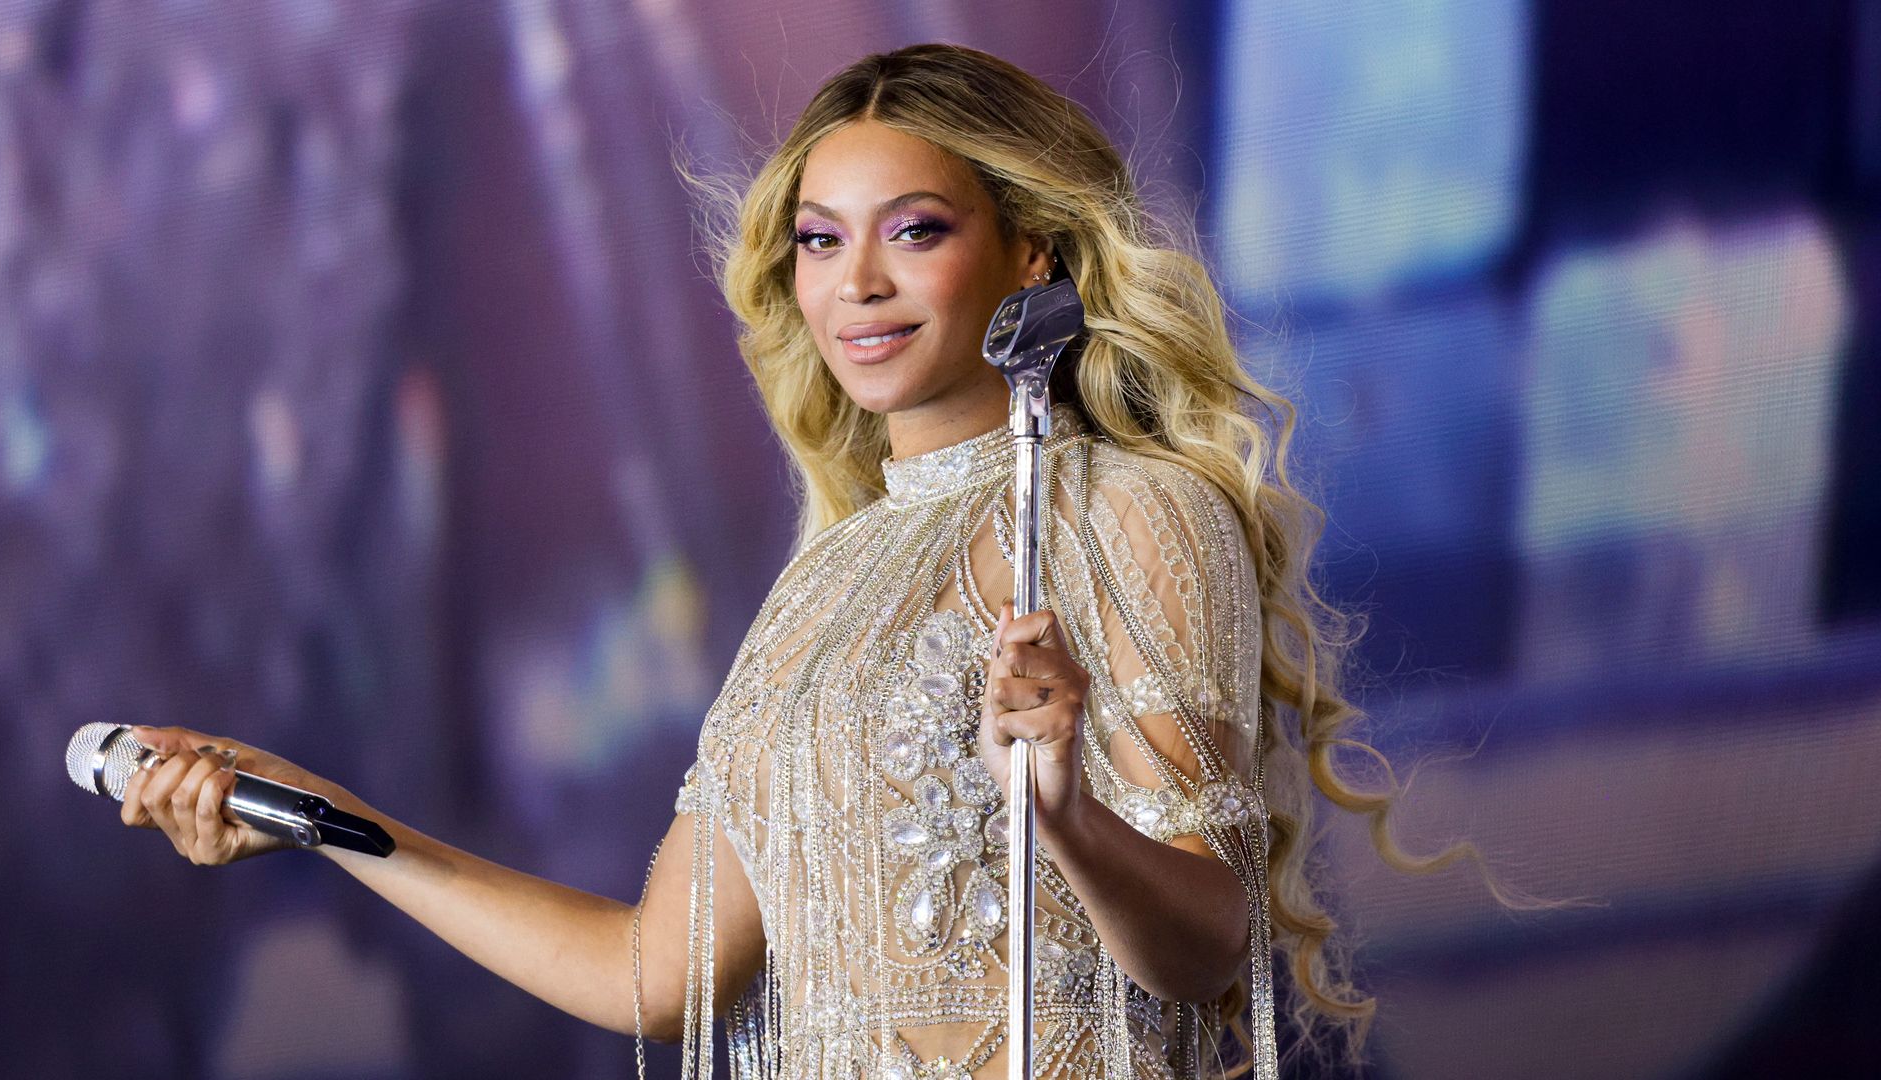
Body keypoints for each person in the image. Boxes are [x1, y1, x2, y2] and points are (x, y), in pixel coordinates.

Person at [122, 43, 1465, 1079]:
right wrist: (316, 813)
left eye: (915, 231)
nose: (856, 283)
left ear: (1031, 256)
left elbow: (1207, 944)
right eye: (822, 239)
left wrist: (1067, 816)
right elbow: (658, 974)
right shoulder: (823, 581)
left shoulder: (1134, 508)